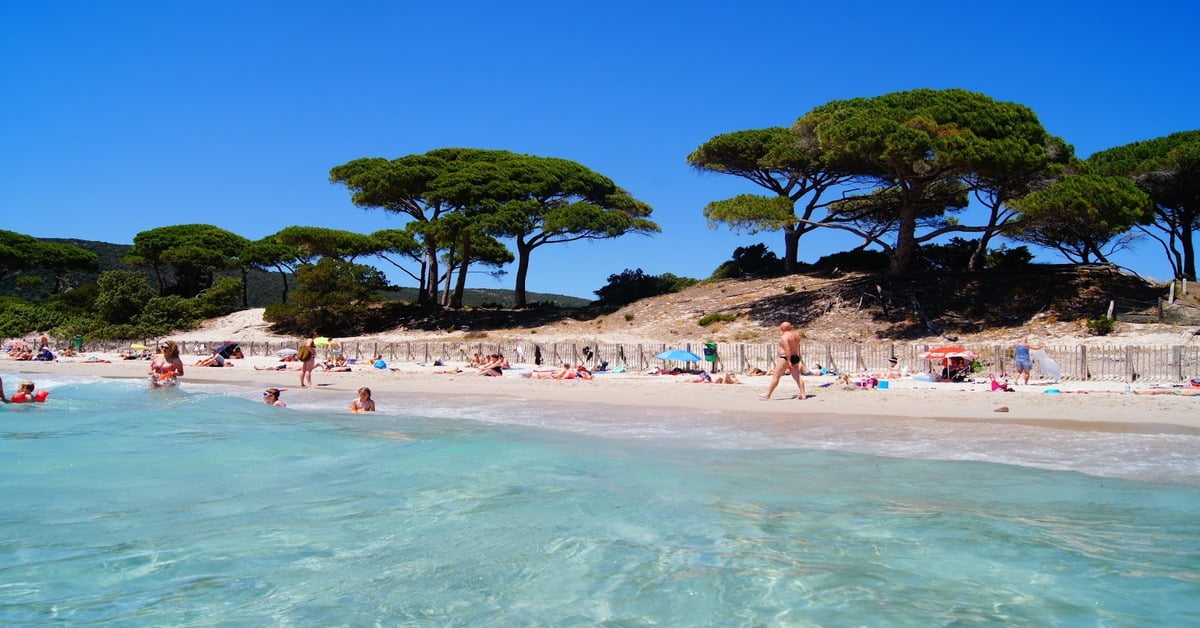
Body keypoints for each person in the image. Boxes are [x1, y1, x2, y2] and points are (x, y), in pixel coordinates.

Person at [761, 322, 807, 400]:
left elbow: (788, 349)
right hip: (795, 356)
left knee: (776, 376)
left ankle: (768, 394)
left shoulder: (784, 337)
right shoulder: (797, 336)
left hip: (786, 358)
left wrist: (788, 361)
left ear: (782, 329)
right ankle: (803, 394)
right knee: (797, 376)